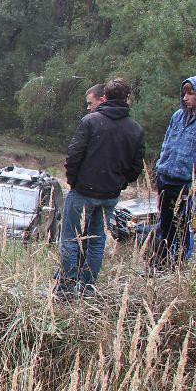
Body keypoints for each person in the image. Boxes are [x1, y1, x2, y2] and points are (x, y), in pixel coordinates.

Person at [58, 78, 145, 296]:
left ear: (105, 98)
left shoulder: (91, 121)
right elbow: (136, 167)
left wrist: (73, 181)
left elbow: (74, 154)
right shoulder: (135, 129)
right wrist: (119, 184)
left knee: (70, 238)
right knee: (97, 241)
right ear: (128, 99)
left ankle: (67, 289)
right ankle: (87, 288)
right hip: (109, 195)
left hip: (83, 190)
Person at [152, 75, 196, 268]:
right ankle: (161, 264)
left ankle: (179, 266)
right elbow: (166, 144)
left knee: (184, 228)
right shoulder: (177, 116)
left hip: (186, 184)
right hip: (165, 179)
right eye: (184, 93)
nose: (185, 98)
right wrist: (159, 166)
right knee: (164, 225)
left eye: (191, 93)